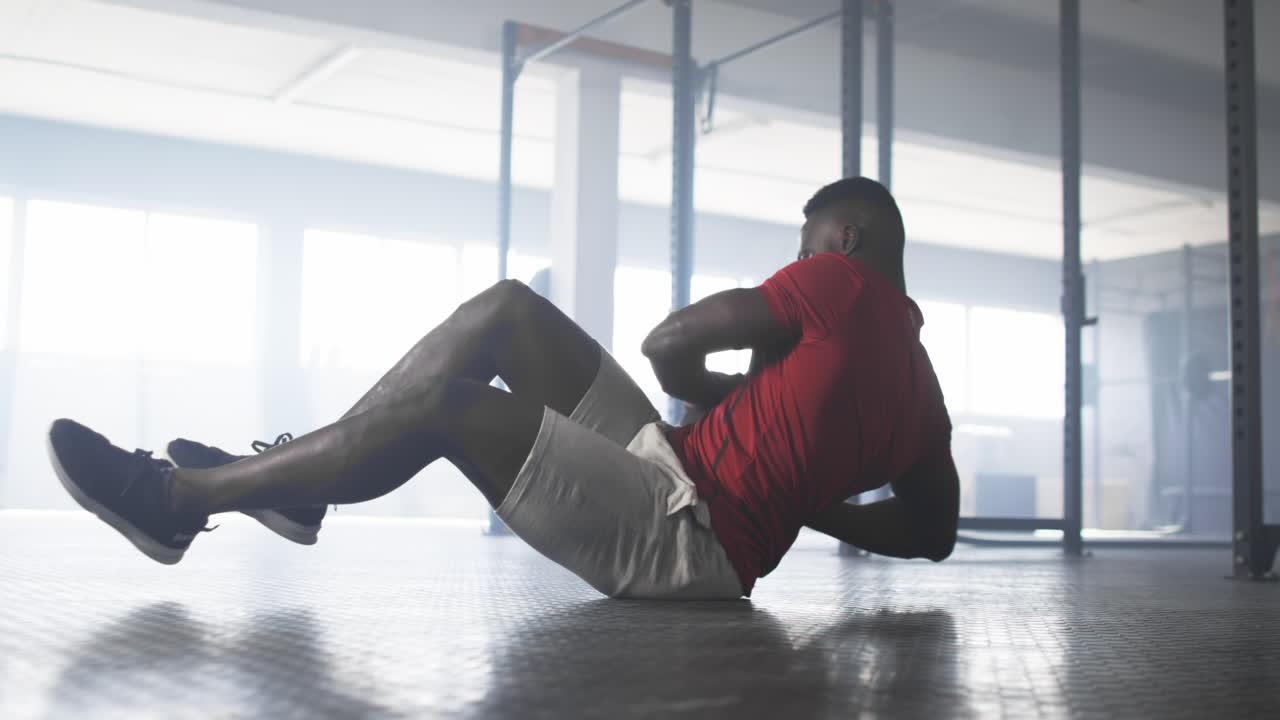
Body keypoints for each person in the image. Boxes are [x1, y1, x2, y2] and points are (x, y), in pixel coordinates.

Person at [47, 177, 958, 599]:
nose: (795, 262)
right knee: (509, 312)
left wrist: (726, 405)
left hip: (689, 533)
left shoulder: (837, 285)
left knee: (453, 410)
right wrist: (806, 496)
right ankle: (298, 490)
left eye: (804, 247)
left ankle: (174, 501)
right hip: (678, 480)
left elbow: (671, 344)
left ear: (844, 243)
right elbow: (931, 535)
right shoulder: (928, 403)